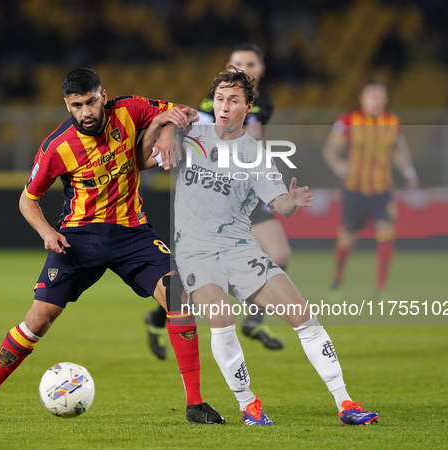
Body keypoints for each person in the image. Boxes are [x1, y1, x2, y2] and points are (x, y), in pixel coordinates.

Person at [0, 68, 224, 425]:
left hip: (133, 233)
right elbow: (27, 200)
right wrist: (47, 233)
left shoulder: (129, 109)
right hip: (78, 240)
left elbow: (187, 111)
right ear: (67, 105)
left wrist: (169, 129)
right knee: (37, 321)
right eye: (77, 105)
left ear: (104, 96)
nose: (86, 112)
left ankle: (195, 403)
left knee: (177, 294)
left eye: (92, 102)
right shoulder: (56, 147)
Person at [145, 67, 379, 426]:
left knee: (304, 317)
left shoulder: (255, 155)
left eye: (233, 100)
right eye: (220, 99)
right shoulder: (192, 131)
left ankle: (345, 402)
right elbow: (146, 140)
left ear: (248, 107)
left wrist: (292, 199)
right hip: (196, 252)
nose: (224, 107)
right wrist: (162, 129)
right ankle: (248, 405)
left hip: (240, 249)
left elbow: (279, 204)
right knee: (221, 317)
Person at [144, 43, 287, 358]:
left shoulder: (263, 104)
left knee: (279, 251)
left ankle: (253, 319)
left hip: (243, 188)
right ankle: (157, 317)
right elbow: (193, 129)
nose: (243, 69)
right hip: (212, 191)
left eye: (250, 64)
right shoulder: (214, 103)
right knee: (197, 280)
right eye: (238, 64)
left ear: (260, 70)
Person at [322, 81, 419, 300]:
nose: (375, 100)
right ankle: (337, 280)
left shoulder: (392, 122)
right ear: (362, 99)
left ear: (385, 99)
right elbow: (330, 149)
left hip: (382, 188)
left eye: (379, 96)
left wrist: (409, 171)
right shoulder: (347, 120)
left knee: (386, 232)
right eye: (371, 96)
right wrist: (338, 165)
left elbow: (399, 149)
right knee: (347, 238)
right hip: (354, 188)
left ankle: (381, 288)